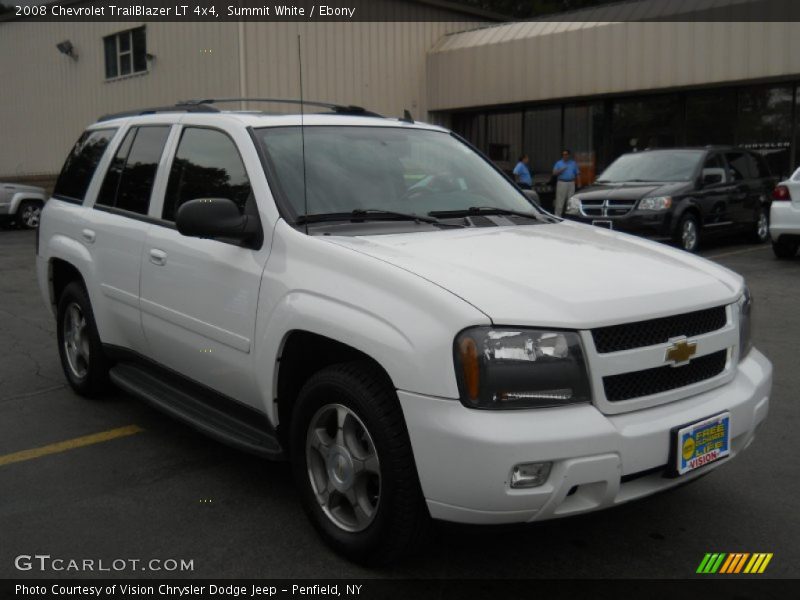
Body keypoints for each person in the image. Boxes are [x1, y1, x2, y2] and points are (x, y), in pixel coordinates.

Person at [552, 149, 580, 217]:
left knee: (571, 200)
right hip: (562, 183)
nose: (565, 156)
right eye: (563, 154)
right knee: (560, 201)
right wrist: (561, 170)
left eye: (566, 154)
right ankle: (557, 216)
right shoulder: (558, 163)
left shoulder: (573, 163)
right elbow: (554, 173)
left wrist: (579, 183)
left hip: (571, 183)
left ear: (569, 155)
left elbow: (578, 173)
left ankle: (570, 216)